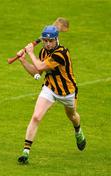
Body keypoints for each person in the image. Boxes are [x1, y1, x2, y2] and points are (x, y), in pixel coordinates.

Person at [17, 25, 86, 164]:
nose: (48, 44)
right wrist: (23, 61)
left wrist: (30, 52)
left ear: (57, 40)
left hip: (68, 92)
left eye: (51, 41)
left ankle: (78, 131)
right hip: (50, 89)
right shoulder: (43, 52)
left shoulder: (61, 53)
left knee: (72, 116)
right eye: (45, 41)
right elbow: (37, 72)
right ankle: (25, 152)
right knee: (36, 116)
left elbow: (41, 66)